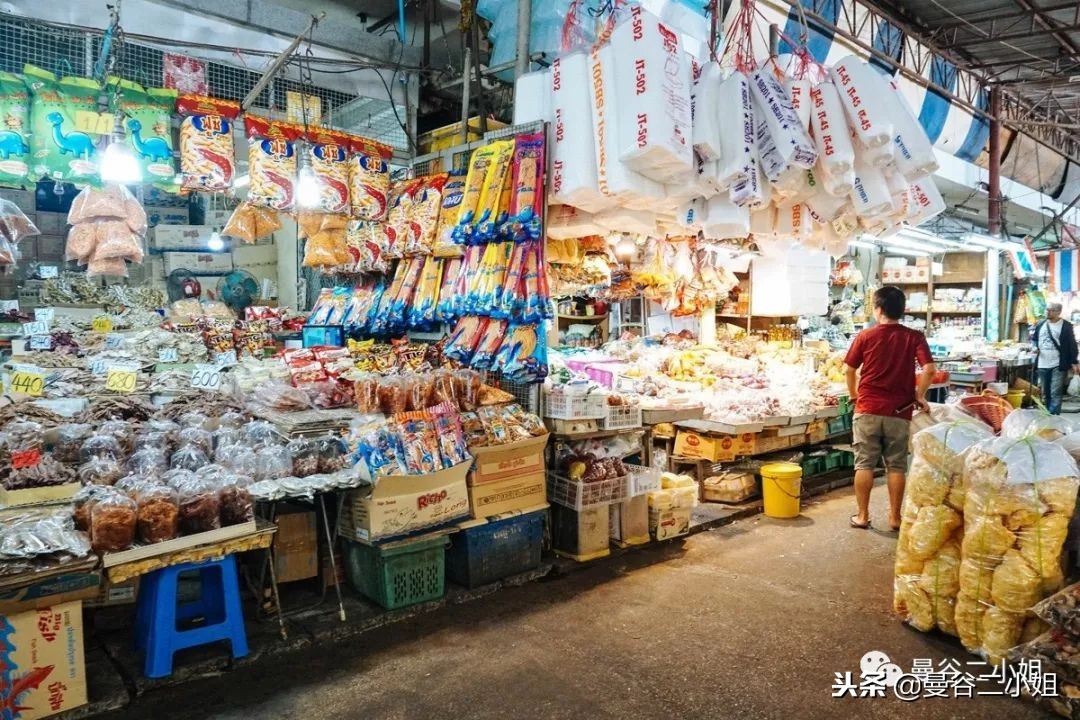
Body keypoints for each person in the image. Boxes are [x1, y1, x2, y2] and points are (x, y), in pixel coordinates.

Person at [844, 286, 937, 531]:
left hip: (867, 408)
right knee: (896, 465)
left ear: (879, 309)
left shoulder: (865, 336)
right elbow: (929, 369)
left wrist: (854, 394)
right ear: (901, 310)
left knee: (863, 464)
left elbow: (849, 369)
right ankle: (895, 518)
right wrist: (919, 395)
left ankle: (862, 516)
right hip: (899, 411)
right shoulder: (913, 337)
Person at [1031, 303, 1079, 415]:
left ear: (1058, 312)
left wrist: (1074, 361)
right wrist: (1034, 348)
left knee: (1055, 392)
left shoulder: (1066, 326)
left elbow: (1072, 344)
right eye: (1047, 310)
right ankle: (1047, 414)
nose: (1047, 312)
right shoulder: (1041, 324)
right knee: (1045, 392)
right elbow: (1034, 340)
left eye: (1051, 310)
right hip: (1042, 363)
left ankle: (1054, 417)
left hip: (1058, 364)